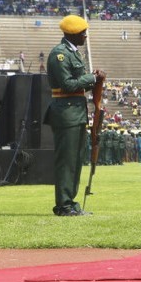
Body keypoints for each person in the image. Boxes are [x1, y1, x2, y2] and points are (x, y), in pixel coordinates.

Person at [44, 15, 106, 216]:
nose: (85, 36)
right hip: (66, 113)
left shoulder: (73, 53)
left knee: (76, 159)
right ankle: (63, 205)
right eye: (82, 33)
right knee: (67, 161)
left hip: (76, 112)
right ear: (72, 33)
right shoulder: (60, 54)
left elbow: (78, 85)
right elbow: (68, 84)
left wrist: (92, 80)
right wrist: (92, 78)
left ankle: (70, 203)